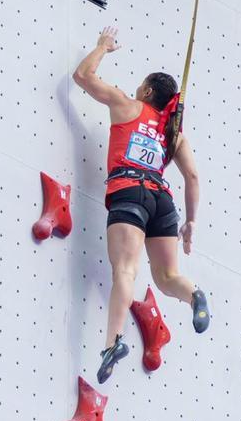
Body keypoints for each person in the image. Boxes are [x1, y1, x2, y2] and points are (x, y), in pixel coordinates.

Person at [72, 26, 210, 383]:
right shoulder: (172, 135)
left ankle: (112, 342)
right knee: (167, 279)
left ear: (147, 91)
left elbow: (82, 77)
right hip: (162, 201)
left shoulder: (127, 105)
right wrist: (191, 223)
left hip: (129, 192)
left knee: (126, 270)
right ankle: (194, 294)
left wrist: (102, 46)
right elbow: (193, 178)